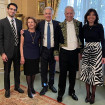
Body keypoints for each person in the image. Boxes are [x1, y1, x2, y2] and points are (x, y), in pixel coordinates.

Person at [57, 6, 83, 102]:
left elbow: (81, 38)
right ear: (64, 14)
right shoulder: (60, 25)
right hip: (63, 52)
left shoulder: (79, 24)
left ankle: (71, 91)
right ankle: (61, 92)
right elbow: (56, 41)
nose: (69, 15)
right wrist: (56, 53)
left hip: (74, 52)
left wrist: (81, 52)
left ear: (74, 14)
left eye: (71, 13)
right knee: (62, 74)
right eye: (67, 13)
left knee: (73, 74)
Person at [80, 8, 105, 104]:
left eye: (93, 15)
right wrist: (81, 52)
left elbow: (103, 41)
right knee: (87, 74)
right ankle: (87, 94)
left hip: (96, 51)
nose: (91, 16)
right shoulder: (84, 27)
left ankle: (93, 95)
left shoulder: (99, 26)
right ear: (86, 16)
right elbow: (82, 40)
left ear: (96, 17)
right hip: (86, 51)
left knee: (94, 74)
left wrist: (104, 55)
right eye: (89, 15)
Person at [37, 7, 64, 95]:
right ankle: (44, 86)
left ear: (52, 14)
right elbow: (33, 32)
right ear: (44, 14)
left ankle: (51, 85)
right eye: (46, 13)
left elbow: (61, 37)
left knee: (52, 70)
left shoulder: (58, 24)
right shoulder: (40, 24)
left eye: (50, 13)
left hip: (53, 50)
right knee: (43, 70)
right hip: (44, 50)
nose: (48, 15)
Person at [0, 3, 24, 98]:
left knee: (17, 71)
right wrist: (2, 53)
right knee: (7, 72)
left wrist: (23, 33)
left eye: (14, 9)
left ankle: (17, 86)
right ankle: (7, 89)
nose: (13, 11)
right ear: (7, 9)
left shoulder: (19, 22)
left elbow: (20, 36)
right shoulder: (2, 22)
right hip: (7, 52)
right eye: (11, 9)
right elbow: (0, 39)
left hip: (17, 51)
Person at [20, 17, 40, 98]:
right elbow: (21, 45)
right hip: (27, 55)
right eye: (29, 22)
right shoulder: (24, 32)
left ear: (35, 23)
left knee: (34, 73)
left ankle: (32, 87)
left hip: (36, 55)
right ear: (27, 24)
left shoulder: (38, 33)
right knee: (28, 73)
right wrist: (22, 56)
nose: (30, 24)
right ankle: (29, 89)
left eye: (32, 22)